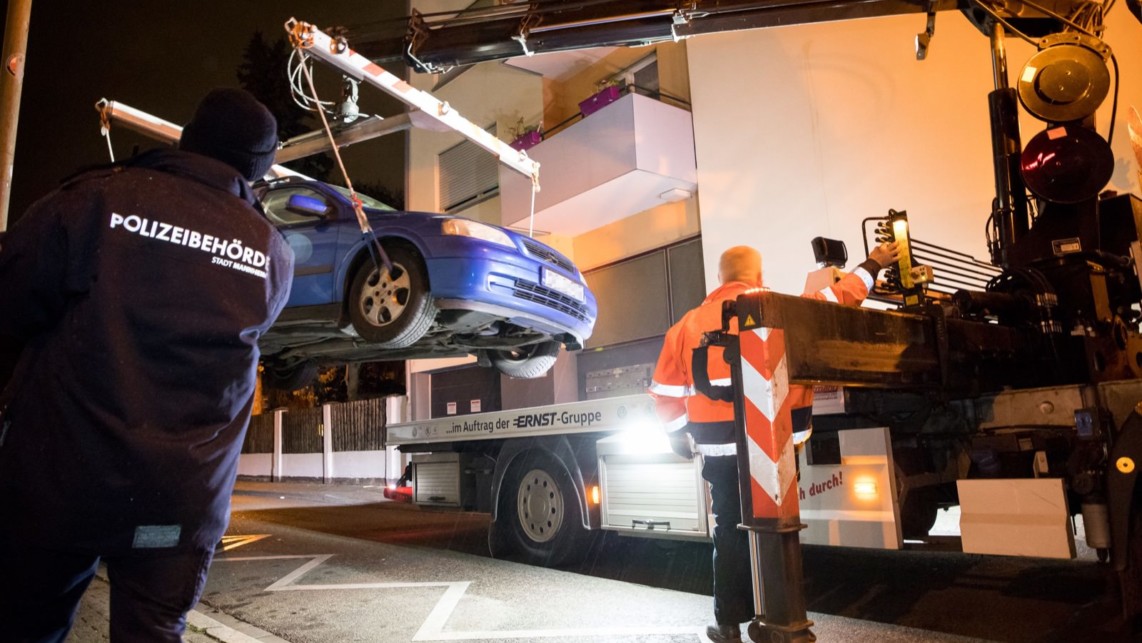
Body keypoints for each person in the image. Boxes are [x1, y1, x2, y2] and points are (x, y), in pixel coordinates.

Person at [0, 88, 294, 642]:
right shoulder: (272, 253)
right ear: (257, 170)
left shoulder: (93, 200)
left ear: (188, 137)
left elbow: (12, 301)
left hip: (60, 485)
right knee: (154, 632)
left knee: (27, 627)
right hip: (177, 504)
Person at [648, 242, 899, 643]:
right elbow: (840, 297)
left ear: (719, 279)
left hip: (719, 451)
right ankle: (778, 618)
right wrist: (874, 263)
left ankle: (727, 623)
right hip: (772, 445)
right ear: (759, 277)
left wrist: (680, 438)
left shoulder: (685, 327)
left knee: (728, 529)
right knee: (775, 528)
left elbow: (664, 392)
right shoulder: (779, 310)